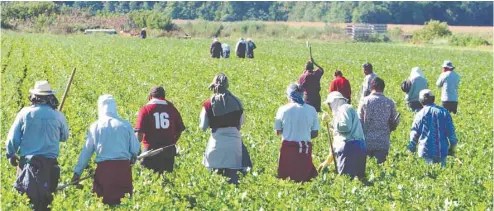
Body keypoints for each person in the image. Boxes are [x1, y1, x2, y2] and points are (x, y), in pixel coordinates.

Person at [5, 81, 69, 210]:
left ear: (35, 96)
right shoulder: (58, 116)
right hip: (50, 166)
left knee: (26, 202)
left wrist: (11, 154)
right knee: (46, 202)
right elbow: (64, 137)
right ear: (49, 97)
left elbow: (12, 139)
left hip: (27, 165)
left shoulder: (25, 113)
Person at [72, 95, 139, 206]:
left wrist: (77, 172)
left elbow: (87, 152)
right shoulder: (125, 125)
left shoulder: (96, 126)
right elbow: (135, 149)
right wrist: (132, 156)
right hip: (123, 170)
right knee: (123, 203)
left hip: (104, 171)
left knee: (103, 203)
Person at [199, 73, 252, 184]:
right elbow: (242, 122)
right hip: (234, 145)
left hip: (215, 144)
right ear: (227, 85)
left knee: (214, 182)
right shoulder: (237, 101)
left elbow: (203, 127)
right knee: (234, 181)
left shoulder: (208, 104)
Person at [274, 83, 319, 182]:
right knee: (304, 178)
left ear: (289, 95)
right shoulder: (312, 110)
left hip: (288, 149)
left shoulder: (283, 109)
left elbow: (278, 132)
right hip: (304, 148)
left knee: (286, 178)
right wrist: (304, 134)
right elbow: (315, 133)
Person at [135, 86, 186, 174]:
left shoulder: (145, 109)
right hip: (168, 150)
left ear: (150, 96)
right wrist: (173, 141)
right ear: (164, 96)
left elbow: (139, 135)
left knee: (149, 179)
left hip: (150, 151)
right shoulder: (171, 108)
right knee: (166, 179)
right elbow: (180, 129)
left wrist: (135, 150)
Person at [320, 91, 366, 179]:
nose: (329, 106)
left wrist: (332, 121)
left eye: (330, 104)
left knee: (346, 179)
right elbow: (337, 139)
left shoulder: (344, 108)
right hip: (357, 145)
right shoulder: (343, 111)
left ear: (335, 101)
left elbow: (345, 127)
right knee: (358, 178)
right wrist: (327, 161)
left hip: (350, 146)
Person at [408, 89, 458, 166]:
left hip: (425, 152)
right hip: (441, 151)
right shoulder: (444, 112)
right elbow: (451, 133)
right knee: (441, 175)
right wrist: (452, 147)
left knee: (427, 175)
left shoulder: (420, 114)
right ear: (433, 98)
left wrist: (411, 149)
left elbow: (414, 133)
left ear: (421, 101)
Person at [358, 77, 400, 164]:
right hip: (383, 142)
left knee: (367, 170)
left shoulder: (365, 101)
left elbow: (359, 121)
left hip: (367, 142)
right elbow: (396, 121)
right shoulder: (389, 102)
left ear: (371, 87)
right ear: (383, 88)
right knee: (380, 170)